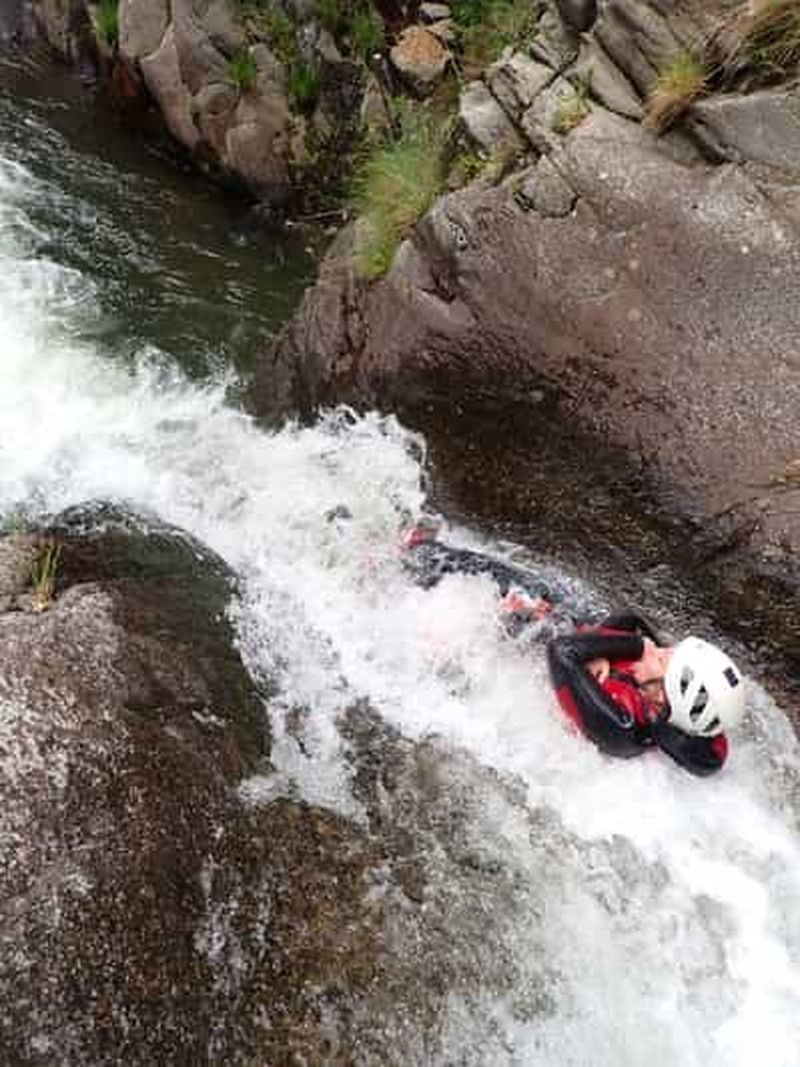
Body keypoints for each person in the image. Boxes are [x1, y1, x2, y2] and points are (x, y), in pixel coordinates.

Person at [402, 518, 746, 776]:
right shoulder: (685, 719)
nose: (655, 649)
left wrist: (624, 649)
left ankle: (407, 559)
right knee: (541, 589)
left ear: (661, 698)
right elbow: (633, 620)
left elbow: (562, 653)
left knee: (512, 592)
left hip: (535, 658)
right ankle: (423, 556)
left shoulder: (621, 727)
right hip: (575, 646)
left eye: (661, 658)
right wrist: (612, 651)